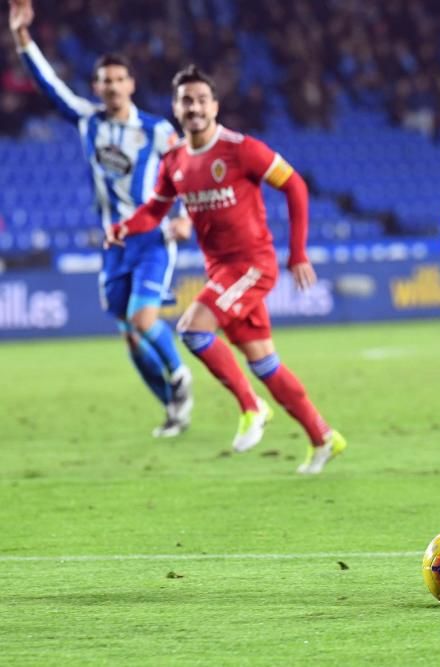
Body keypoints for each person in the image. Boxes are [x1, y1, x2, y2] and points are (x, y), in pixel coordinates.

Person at [112, 65, 345, 474]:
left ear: (215, 106)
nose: (195, 107)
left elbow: (294, 185)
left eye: (202, 100)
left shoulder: (241, 149)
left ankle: (251, 407)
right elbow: (154, 209)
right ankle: (322, 435)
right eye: (187, 101)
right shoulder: (174, 161)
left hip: (252, 265)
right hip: (221, 271)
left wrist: (298, 252)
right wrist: (124, 227)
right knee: (265, 364)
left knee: (192, 328)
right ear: (176, 108)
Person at [9, 0, 194, 437]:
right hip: (113, 244)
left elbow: (185, 174)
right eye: (104, 80)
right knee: (130, 337)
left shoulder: (157, 129)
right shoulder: (87, 121)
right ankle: (173, 407)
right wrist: (22, 37)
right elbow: (48, 84)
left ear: (131, 84)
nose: (112, 87)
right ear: (95, 86)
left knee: (144, 320)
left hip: (152, 239)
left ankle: (181, 376)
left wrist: (185, 216)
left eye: (119, 79)